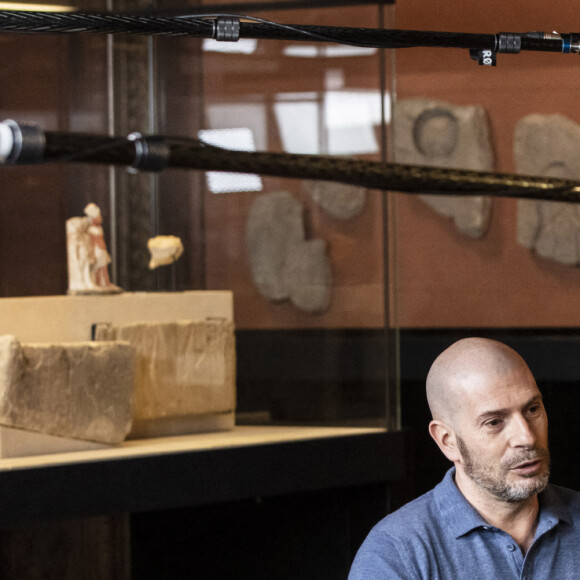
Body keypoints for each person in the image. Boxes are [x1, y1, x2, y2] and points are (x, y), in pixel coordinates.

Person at [349, 337, 580, 579]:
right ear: (447, 441)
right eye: (494, 422)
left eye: (532, 409)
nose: (527, 437)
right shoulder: (397, 553)